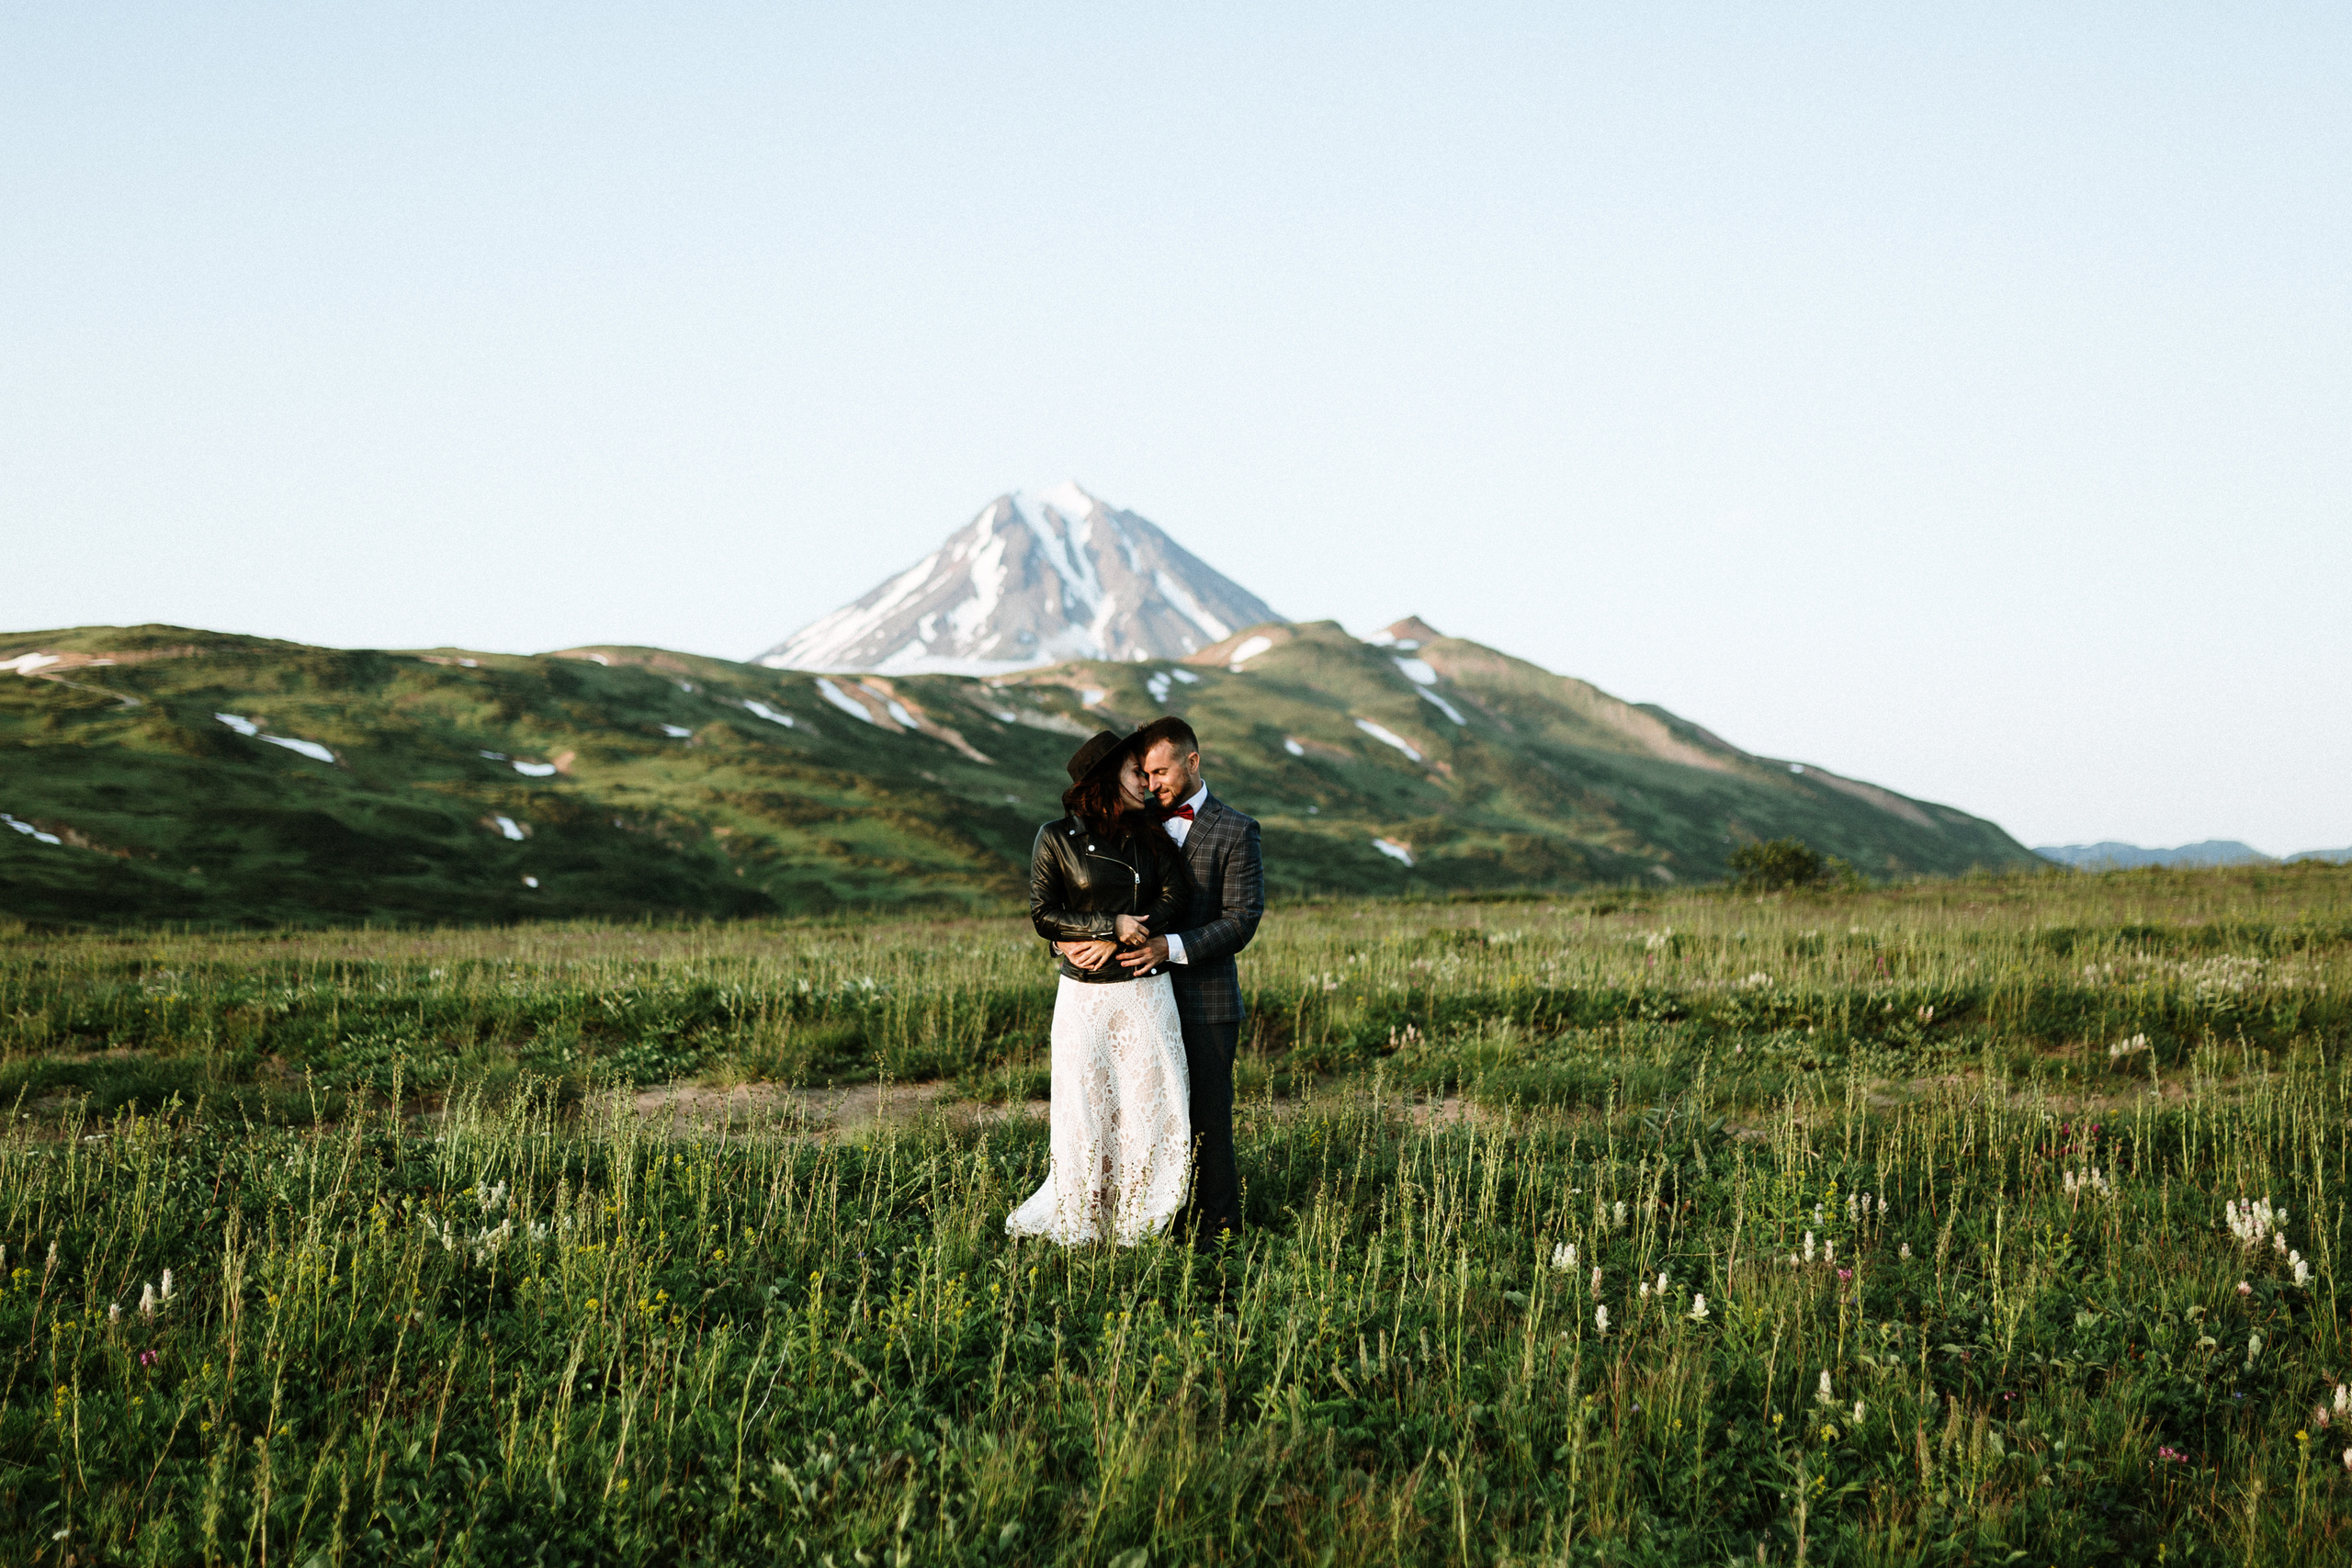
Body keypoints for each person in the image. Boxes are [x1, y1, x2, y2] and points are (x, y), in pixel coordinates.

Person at [1006, 730, 1198, 1246]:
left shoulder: (1151, 833)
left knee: (1147, 1102)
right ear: (1106, 777)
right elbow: (1044, 914)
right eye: (1137, 771)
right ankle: (1085, 1212)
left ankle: (1141, 1215)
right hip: (1084, 997)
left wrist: (1122, 935)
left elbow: (1176, 896)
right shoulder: (1054, 837)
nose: (1146, 781)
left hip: (1143, 989)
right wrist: (1106, 925)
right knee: (1086, 1102)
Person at [1091, 715, 1262, 1250]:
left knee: (1209, 1120)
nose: (1152, 783)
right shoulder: (1134, 826)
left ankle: (1220, 1237)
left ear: (1192, 761)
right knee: (1149, 1118)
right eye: (1145, 773)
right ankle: (1158, 1223)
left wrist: (1172, 948)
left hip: (1207, 1002)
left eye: (1161, 771)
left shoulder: (1237, 829)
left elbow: (1241, 921)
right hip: (1137, 1002)